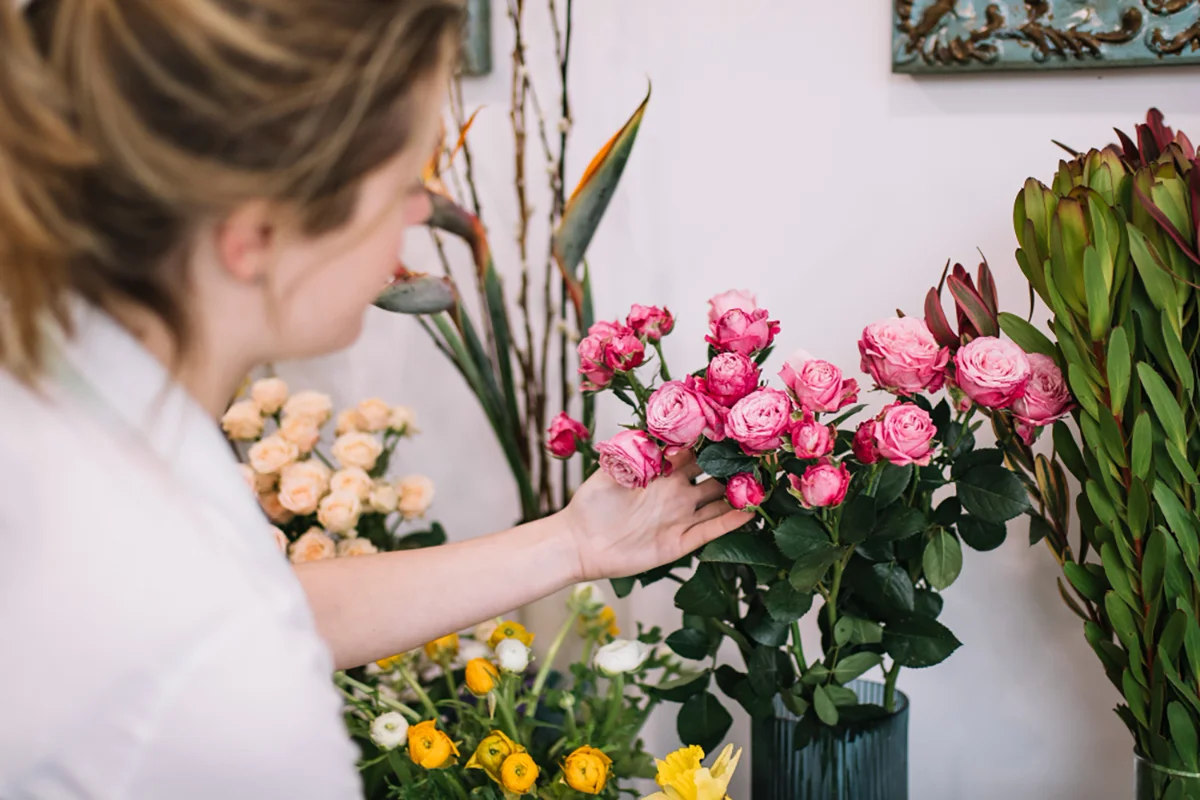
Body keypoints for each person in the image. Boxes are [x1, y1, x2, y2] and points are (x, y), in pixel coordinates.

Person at [0, 0, 752, 797]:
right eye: (401, 186)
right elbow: (225, 632)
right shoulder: (222, 681)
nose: (423, 213)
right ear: (255, 236)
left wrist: (571, 544)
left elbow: (275, 604)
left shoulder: (67, 399)